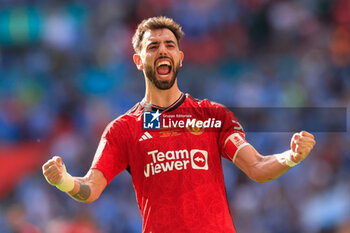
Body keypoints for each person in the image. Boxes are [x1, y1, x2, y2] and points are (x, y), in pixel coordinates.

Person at [42, 16, 316, 233]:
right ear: (139, 61)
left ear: (180, 58)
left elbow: (257, 168)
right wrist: (64, 181)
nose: (163, 50)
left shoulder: (212, 115)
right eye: (153, 46)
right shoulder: (123, 129)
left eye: (170, 45)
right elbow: (91, 188)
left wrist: (290, 157)